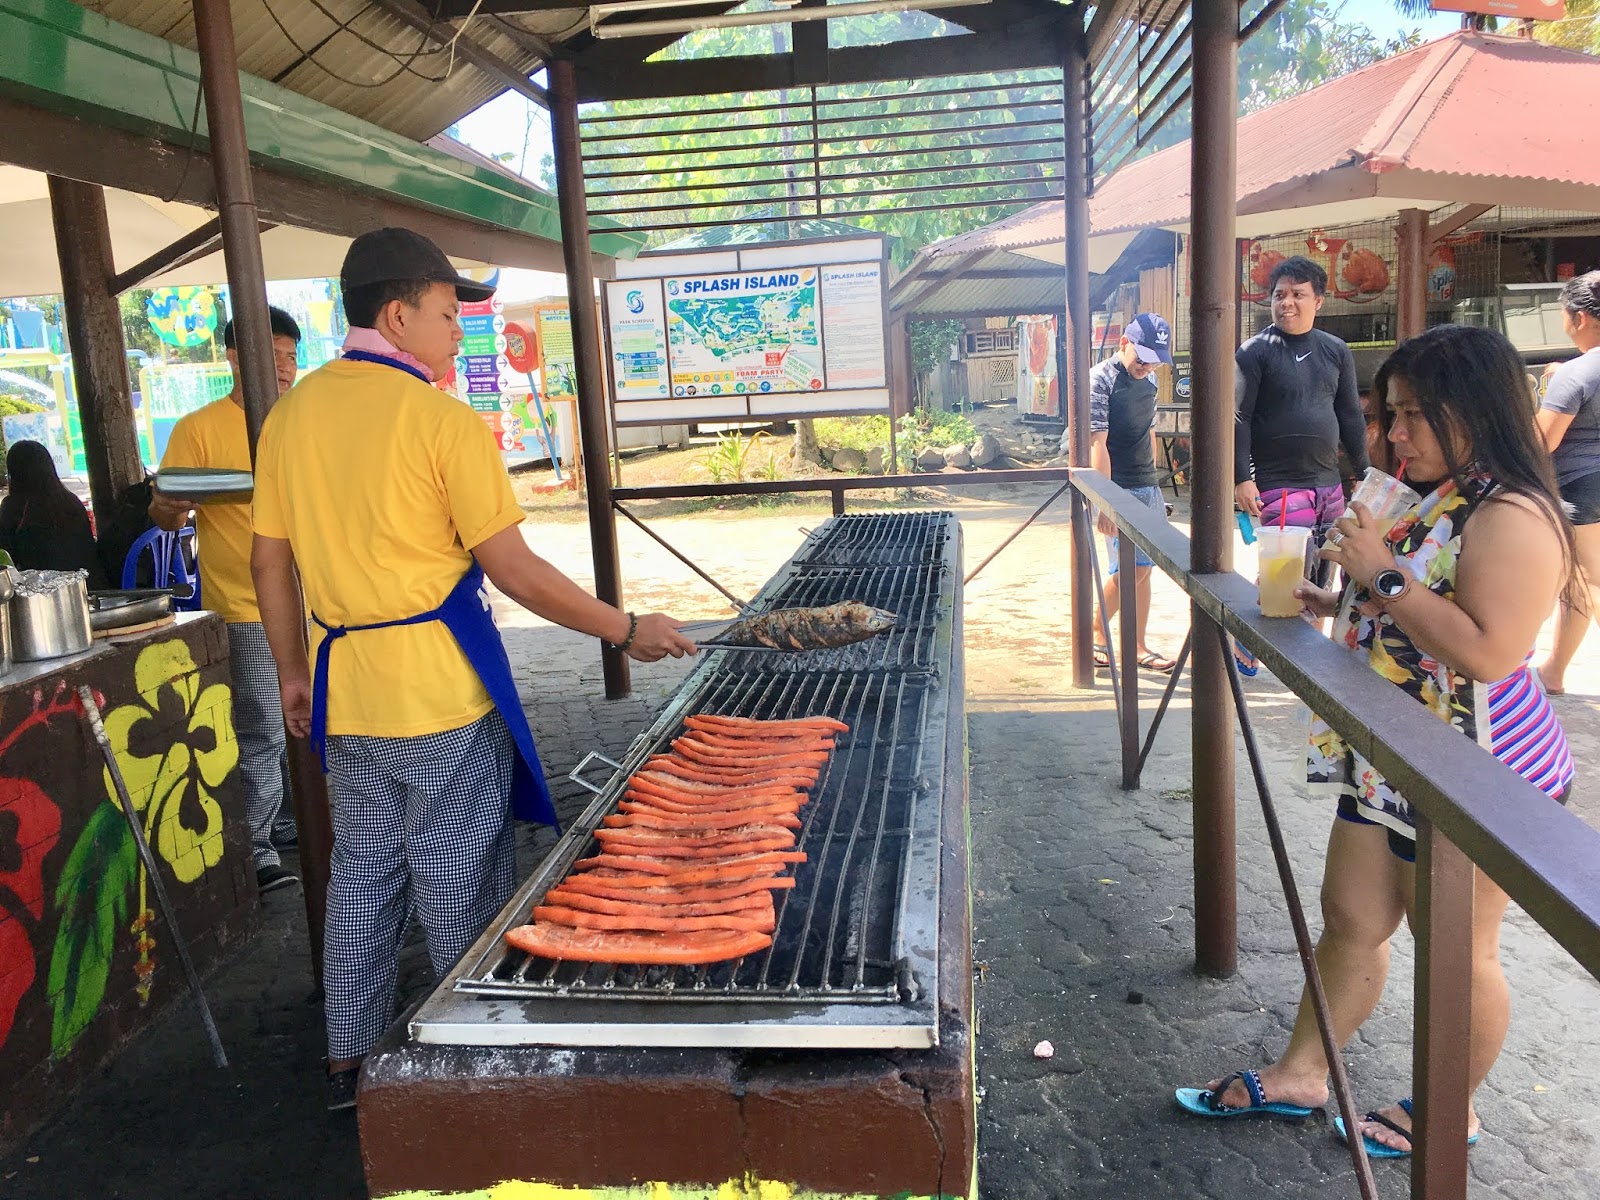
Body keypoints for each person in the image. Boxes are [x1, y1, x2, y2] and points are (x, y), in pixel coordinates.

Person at [249, 227, 696, 1112]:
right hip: (440, 697)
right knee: (462, 884)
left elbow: (270, 563)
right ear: (398, 314)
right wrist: (626, 626)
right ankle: (467, 1068)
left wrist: (293, 673)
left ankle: (350, 1058)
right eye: (450, 315)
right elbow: (514, 569)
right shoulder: (440, 420)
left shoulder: (290, 416)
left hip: (346, 692)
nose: (460, 332)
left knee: (363, 877)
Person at [1176, 326, 1576, 1158]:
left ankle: (1448, 1109)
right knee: (1350, 917)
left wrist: (1379, 574)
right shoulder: (1432, 492)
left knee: (1457, 951)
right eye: (1390, 415)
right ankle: (1300, 1074)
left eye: (1414, 415)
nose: (1394, 435)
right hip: (1394, 753)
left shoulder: (1514, 512)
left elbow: (1486, 651)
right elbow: (1409, 612)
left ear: (1476, 409)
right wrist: (1342, 601)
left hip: (1476, 767)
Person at [150, 308, 304, 896]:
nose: (285, 367)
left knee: (310, 717)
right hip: (244, 603)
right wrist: (173, 504)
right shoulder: (200, 427)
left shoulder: (301, 419)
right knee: (264, 726)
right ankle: (257, 845)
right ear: (235, 357)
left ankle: (295, 820)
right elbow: (164, 509)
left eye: (291, 355)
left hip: (312, 598)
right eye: (273, 354)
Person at [1233, 255, 1371, 672]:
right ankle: (1247, 642)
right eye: (1279, 295)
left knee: (1324, 571)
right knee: (1282, 571)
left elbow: (1350, 414)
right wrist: (1241, 479)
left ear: (1320, 301)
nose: (1286, 303)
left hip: (1329, 484)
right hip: (1278, 483)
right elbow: (1239, 416)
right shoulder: (1254, 352)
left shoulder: (1335, 351)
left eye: (1298, 294)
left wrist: (1363, 473)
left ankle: (1307, 655)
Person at [1079, 312, 1176, 673]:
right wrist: (1104, 502)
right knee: (1130, 569)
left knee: (1145, 570)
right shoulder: (1100, 379)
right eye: (1142, 356)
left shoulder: (1149, 382)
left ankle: (1136, 645)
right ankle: (1095, 633)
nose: (1147, 365)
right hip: (1115, 485)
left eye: (1154, 360)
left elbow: (1147, 433)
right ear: (1125, 343)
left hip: (1146, 484)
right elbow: (1096, 444)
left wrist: (1156, 488)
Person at [1535, 270, 1600, 695]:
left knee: (1589, 581)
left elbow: (1542, 441)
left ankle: (1553, 672)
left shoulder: (1575, 374)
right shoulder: (1576, 372)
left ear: (1578, 317)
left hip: (1582, 487)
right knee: (1583, 580)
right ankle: (1553, 671)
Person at [0, 440, 107, 586]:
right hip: (90, 586)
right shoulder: (71, 501)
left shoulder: (14, 508)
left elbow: (6, 560)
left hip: (44, 596)